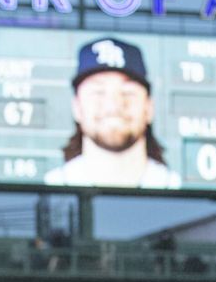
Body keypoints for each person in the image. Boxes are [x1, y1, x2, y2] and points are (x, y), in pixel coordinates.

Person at [44, 37, 182, 189]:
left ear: (149, 108)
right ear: (77, 107)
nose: (113, 106)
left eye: (127, 92)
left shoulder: (176, 188)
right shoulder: (53, 187)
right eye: (98, 92)